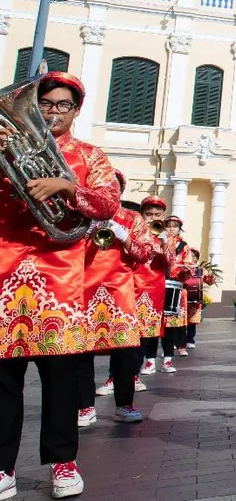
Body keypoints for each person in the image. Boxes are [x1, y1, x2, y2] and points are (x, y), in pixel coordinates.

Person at [0, 71, 121, 499]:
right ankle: (3, 468)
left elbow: (109, 202)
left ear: (75, 111)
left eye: (61, 105)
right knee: (4, 380)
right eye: (45, 104)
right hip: (6, 273)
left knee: (60, 379)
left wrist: (68, 187)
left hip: (60, 276)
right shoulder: (6, 149)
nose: (52, 112)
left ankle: (63, 463)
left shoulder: (90, 155)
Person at [76, 169, 154, 429]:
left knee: (126, 352)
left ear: (120, 191)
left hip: (119, 290)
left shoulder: (132, 218)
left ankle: (125, 404)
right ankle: (85, 406)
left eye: (114, 186)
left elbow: (145, 253)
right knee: (81, 353)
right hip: (83, 287)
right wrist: (85, 231)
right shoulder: (79, 214)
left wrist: (125, 236)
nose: (108, 189)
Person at [136, 196, 170, 378]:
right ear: (142, 215)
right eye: (148, 214)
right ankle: (116, 377)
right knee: (128, 335)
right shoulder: (133, 230)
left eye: (157, 214)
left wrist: (164, 243)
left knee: (147, 334)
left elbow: (170, 264)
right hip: (131, 285)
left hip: (153, 289)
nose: (153, 217)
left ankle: (137, 373)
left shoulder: (165, 237)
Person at [158, 215, 196, 371]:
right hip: (156, 284)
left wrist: (186, 268)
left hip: (173, 286)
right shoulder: (156, 240)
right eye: (168, 225)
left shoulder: (184, 246)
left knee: (172, 325)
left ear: (179, 229)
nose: (171, 228)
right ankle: (150, 360)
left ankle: (169, 357)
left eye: (174, 226)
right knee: (153, 324)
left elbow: (190, 265)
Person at [184, 248, 213, 350]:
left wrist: (209, 275)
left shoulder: (200, 270)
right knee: (181, 322)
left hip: (195, 300)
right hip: (183, 298)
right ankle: (178, 342)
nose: (190, 258)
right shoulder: (183, 268)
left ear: (196, 259)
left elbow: (209, 281)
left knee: (192, 322)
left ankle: (190, 340)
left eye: (192, 256)